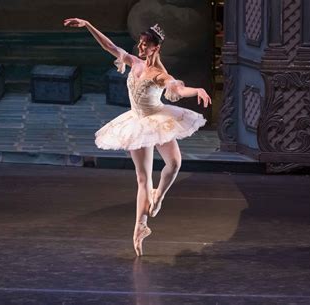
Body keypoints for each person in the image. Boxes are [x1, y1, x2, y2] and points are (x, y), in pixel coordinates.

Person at [63, 18, 211, 256]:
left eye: (145, 44)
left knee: (174, 163)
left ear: (156, 48)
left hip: (158, 118)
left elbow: (178, 89)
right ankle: (140, 228)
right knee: (143, 178)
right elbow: (110, 47)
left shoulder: (159, 74)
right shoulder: (134, 63)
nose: (140, 47)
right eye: (140, 43)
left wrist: (197, 90)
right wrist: (89, 24)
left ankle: (159, 196)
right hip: (137, 122)